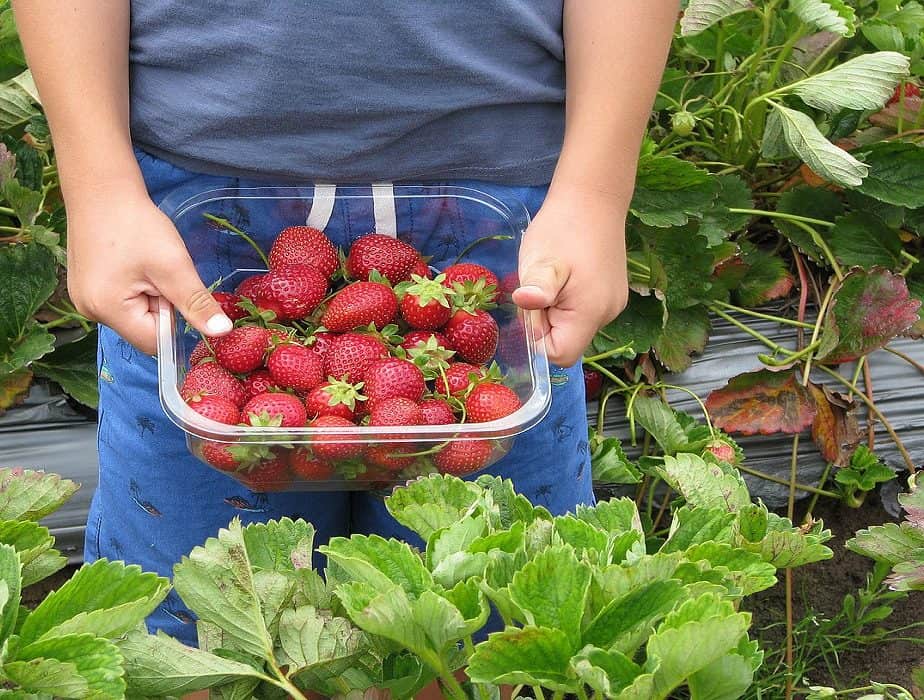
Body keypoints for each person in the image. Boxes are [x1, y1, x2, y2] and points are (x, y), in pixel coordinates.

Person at [13, 0, 678, 646]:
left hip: (506, 219)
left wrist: (595, 191)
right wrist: (99, 185)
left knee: (503, 613)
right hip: (192, 220)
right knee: (195, 614)